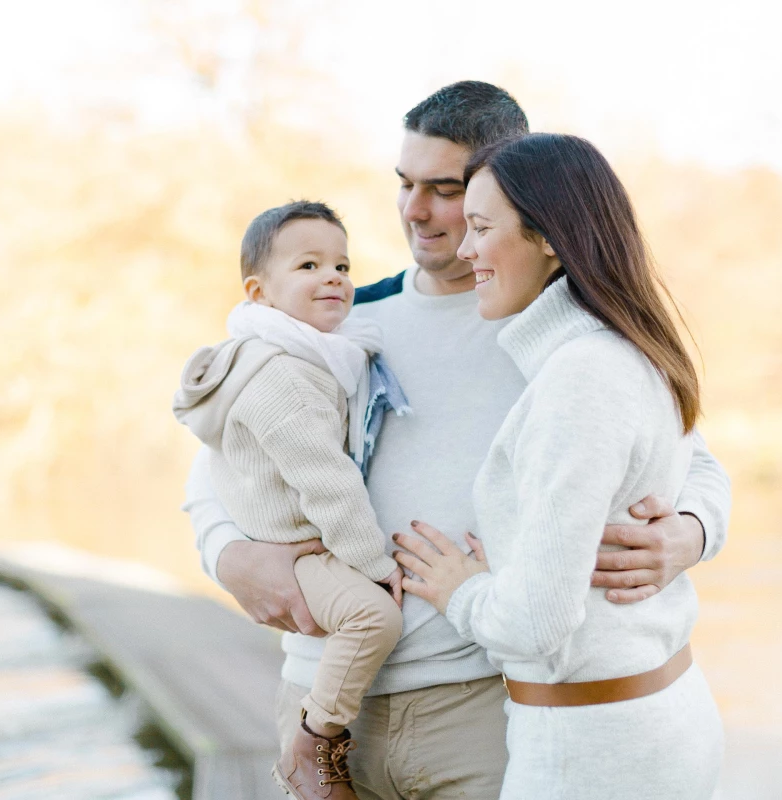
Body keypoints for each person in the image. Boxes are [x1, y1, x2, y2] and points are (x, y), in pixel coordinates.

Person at [184, 81, 731, 800]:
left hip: (476, 705)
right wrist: (230, 556)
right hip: (323, 697)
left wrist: (689, 534)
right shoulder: (339, 319)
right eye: (405, 183)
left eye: (444, 190)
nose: (416, 210)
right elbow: (224, 457)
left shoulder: (550, 330)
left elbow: (691, 460)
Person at [396, 133, 724, 798]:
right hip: (645, 722)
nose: (465, 249)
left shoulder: (582, 375)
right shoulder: (618, 349)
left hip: (592, 749)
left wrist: (458, 587)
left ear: (548, 236)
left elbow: (534, 625)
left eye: (482, 228)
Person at [173, 201, 409, 799]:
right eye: (309, 264)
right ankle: (315, 739)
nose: (333, 276)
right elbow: (329, 481)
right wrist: (374, 568)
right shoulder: (281, 375)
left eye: (341, 264)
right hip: (296, 547)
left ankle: (319, 731)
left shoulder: (316, 355)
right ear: (259, 292)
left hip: (303, 539)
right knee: (373, 616)